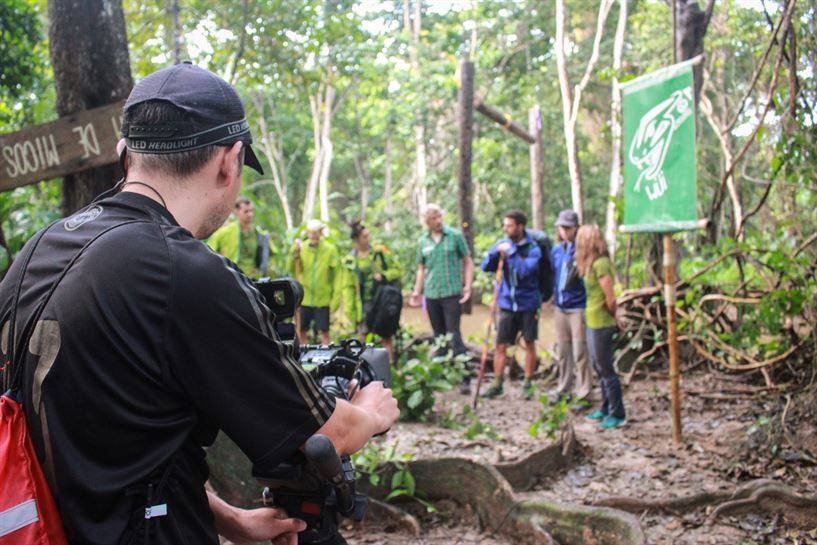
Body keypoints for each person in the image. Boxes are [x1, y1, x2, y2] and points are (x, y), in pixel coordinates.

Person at [0, 63, 399, 545]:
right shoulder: (184, 271)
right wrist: (371, 410)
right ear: (229, 162)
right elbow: (327, 434)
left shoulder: (38, 250)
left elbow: (111, 436)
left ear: (124, 155)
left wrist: (228, 518)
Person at [409, 204, 474, 393]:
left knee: (454, 334)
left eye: (439, 217)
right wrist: (416, 291)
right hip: (431, 293)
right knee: (438, 336)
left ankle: (465, 378)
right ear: (426, 222)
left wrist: (468, 285)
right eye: (433, 218)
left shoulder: (454, 236)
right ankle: (441, 378)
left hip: (451, 292)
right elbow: (421, 269)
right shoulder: (423, 242)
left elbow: (467, 261)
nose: (438, 221)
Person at [479, 210, 542, 400]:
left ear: (520, 227)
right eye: (504, 225)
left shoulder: (533, 249)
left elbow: (524, 271)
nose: (506, 229)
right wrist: (494, 253)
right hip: (506, 303)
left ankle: (528, 383)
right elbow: (485, 267)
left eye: (510, 225)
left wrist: (511, 252)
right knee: (500, 344)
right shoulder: (502, 243)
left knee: (529, 343)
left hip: (528, 304)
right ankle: (497, 383)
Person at [575, 224, 626, 429]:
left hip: (603, 322)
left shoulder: (602, 264)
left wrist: (615, 317)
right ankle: (605, 408)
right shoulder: (591, 263)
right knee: (598, 367)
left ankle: (618, 413)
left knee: (606, 368)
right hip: (592, 320)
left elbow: (610, 297)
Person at [337, 220, 402, 361]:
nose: (368, 239)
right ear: (356, 239)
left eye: (368, 235)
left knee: (386, 336)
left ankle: (389, 369)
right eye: (365, 237)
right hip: (363, 304)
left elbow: (397, 270)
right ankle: (367, 371)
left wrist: (384, 276)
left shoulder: (379, 253)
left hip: (381, 301)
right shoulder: (350, 260)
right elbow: (347, 288)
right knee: (363, 336)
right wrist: (350, 312)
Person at [550, 209, 591, 403]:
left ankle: (584, 391)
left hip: (578, 306)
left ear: (576, 228)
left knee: (580, 351)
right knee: (563, 351)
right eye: (562, 227)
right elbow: (552, 275)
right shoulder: (557, 250)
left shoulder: (582, 250)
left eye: (568, 228)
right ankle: (563, 388)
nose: (565, 231)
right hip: (560, 306)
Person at [286, 219, 338, 346]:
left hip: (322, 298)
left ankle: (326, 355)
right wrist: (294, 252)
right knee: (302, 330)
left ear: (321, 233)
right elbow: (289, 268)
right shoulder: (301, 248)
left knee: (325, 331)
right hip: (305, 297)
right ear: (308, 234)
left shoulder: (330, 250)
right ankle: (304, 355)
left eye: (316, 232)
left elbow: (336, 274)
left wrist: (335, 295)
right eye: (311, 232)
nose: (314, 235)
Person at [207, 197, 275, 279]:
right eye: (246, 211)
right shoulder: (225, 232)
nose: (250, 214)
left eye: (252, 211)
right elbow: (208, 252)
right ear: (237, 212)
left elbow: (271, 254)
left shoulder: (259, 234)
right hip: (233, 278)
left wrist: (267, 268)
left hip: (254, 279)